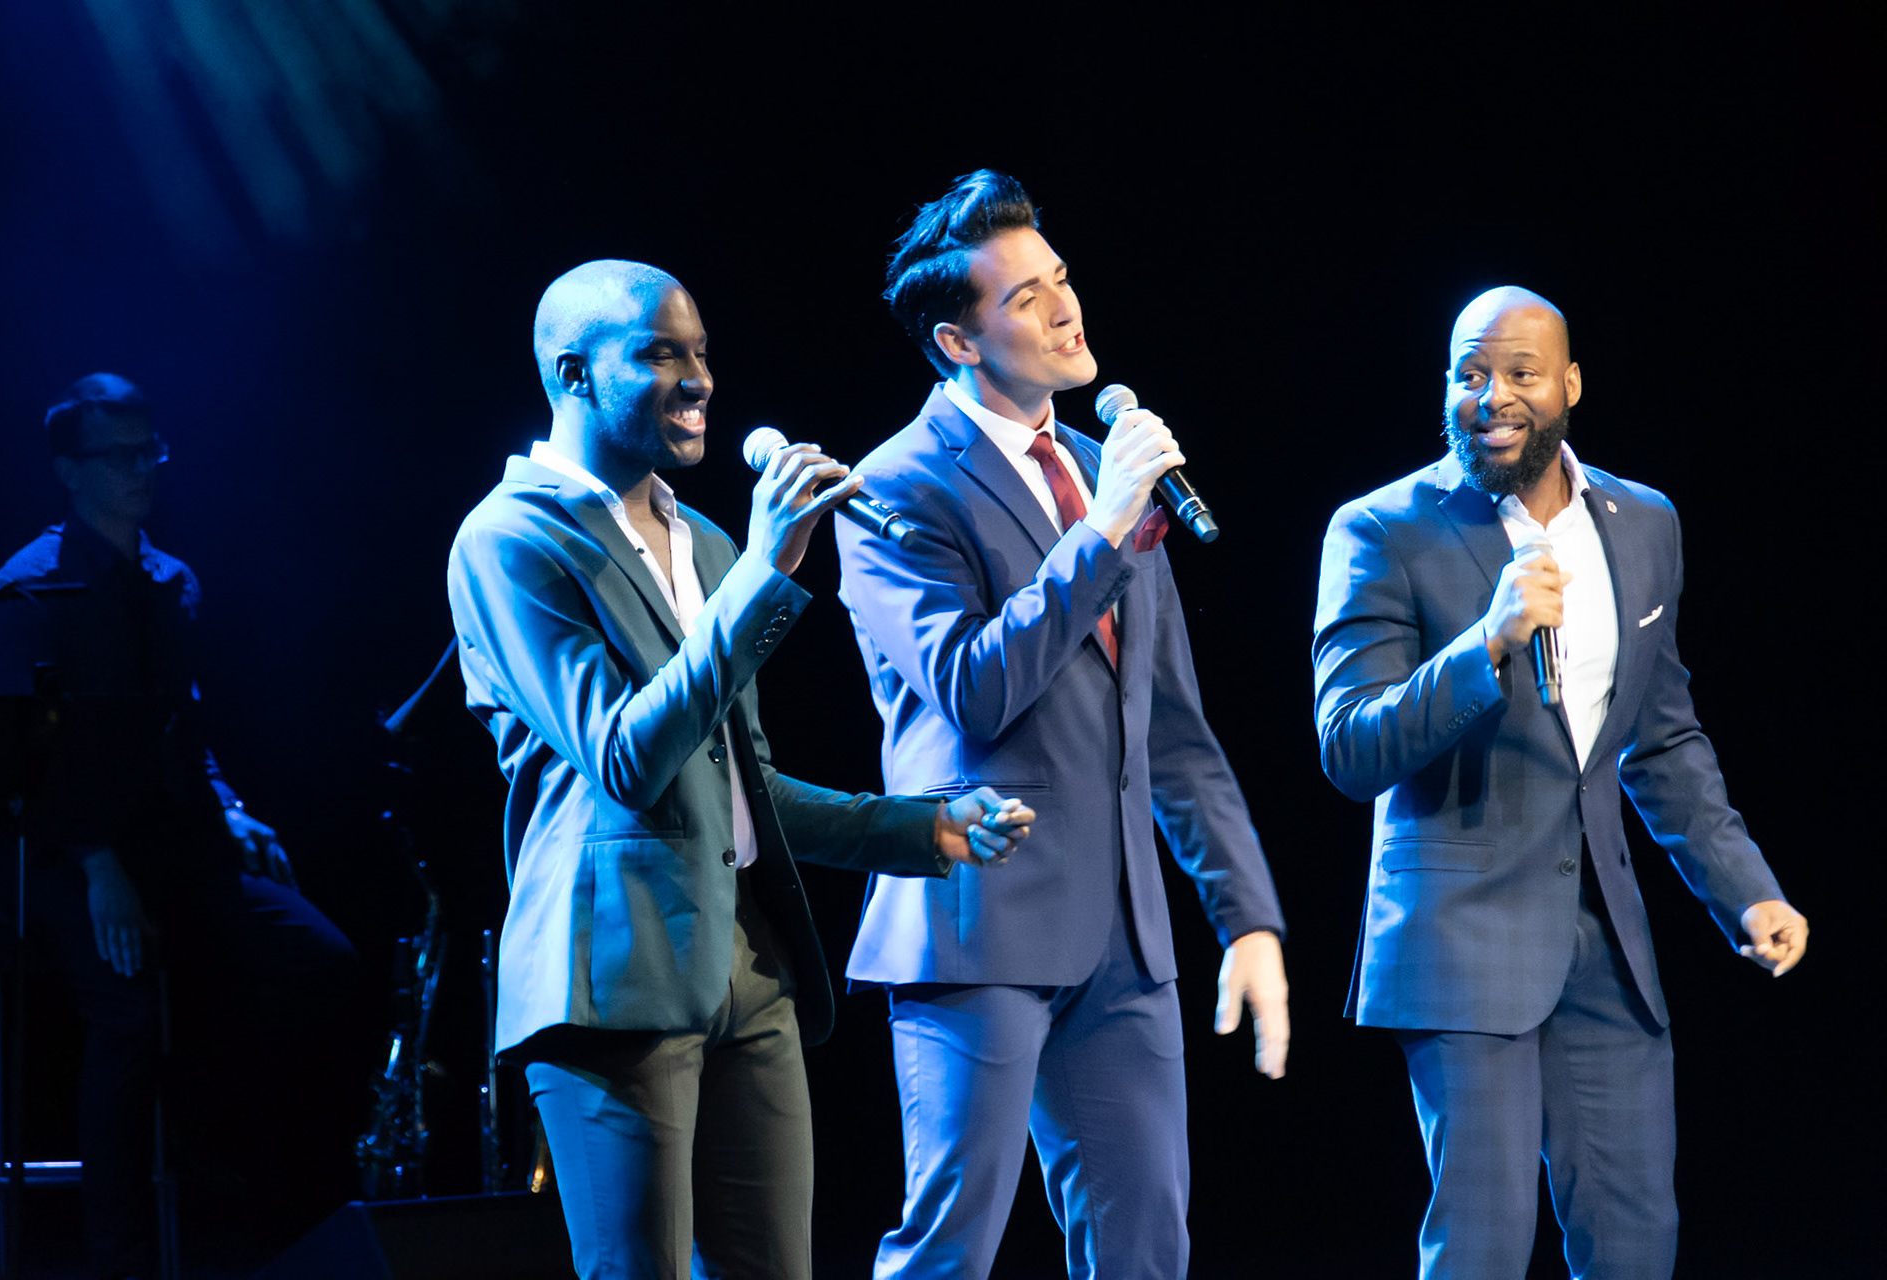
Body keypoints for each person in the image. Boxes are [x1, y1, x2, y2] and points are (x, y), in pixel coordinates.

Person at [444, 260, 1033, 1280]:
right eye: (659, 354)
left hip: (748, 968)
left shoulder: (708, 543)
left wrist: (919, 826)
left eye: (703, 352)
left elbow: (740, 789)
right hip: (613, 975)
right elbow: (626, 758)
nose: (699, 378)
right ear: (573, 373)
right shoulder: (509, 540)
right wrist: (763, 575)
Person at [833, 170, 1290, 1278]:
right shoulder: (894, 486)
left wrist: (1246, 916)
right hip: (979, 917)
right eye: (1025, 297)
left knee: (1146, 1244)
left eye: (1062, 279)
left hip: (1124, 934)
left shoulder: (1098, 469)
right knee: (950, 1245)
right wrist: (1103, 532)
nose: (1064, 308)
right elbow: (973, 687)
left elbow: (1170, 726)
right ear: (957, 341)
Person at [1311, 286, 1810, 1278]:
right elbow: (1350, 746)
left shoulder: (1644, 522)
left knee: (1635, 1240)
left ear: (1570, 384)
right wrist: (1486, 643)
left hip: (1603, 943)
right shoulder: (1380, 528)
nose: (1491, 395)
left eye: (1520, 373)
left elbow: (1661, 739)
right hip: (1460, 934)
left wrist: (1746, 888)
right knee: (1484, 1247)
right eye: (1469, 372)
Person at [0, 373, 359, 1280]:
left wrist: (229, 807)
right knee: (128, 1012)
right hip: (59, 853)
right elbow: (20, 766)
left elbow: (181, 728)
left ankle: (231, 1169)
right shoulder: (26, 591)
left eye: (149, 450)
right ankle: (122, 1259)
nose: (142, 468)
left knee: (318, 959)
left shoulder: (172, 580)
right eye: (119, 455)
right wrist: (98, 863)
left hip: (167, 840)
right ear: (69, 471)